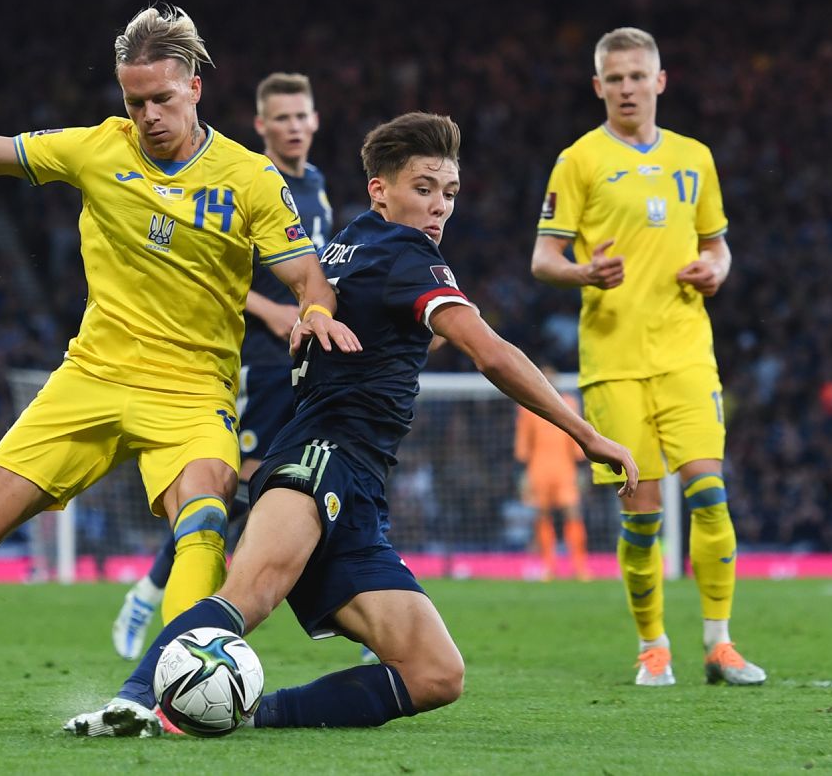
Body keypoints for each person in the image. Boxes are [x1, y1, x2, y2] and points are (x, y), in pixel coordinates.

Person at [0, 4, 359, 728]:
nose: (147, 116)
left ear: (195, 87)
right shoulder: (95, 149)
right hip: (90, 380)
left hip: (191, 393)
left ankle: (166, 696)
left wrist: (315, 312)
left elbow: (308, 277)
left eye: (161, 99)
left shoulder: (249, 178)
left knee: (205, 523)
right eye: (134, 101)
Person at [65, 112, 638, 737]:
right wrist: (586, 434)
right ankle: (132, 702)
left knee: (434, 673)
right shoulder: (407, 255)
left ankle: (250, 715)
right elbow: (491, 354)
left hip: (359, 488)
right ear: (379, 189)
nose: (439, 207)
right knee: (246, 597)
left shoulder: (348, 243)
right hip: (319, 459)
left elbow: (371, 326)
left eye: (449, 192)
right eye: (423, 188)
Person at [530, 27, 766, 686]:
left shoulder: (695, 158)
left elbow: (718, 244)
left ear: (660, 81)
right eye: (616, 78)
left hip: (686, 352)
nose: (628, 88)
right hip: (613, 360)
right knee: (642, 514)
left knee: (710, 495)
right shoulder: (579, 160)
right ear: (598, 86)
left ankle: (719, 644)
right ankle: (652, 647)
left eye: (638, 76)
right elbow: (543, 258)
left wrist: (716, 269)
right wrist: (584, 273)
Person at [111, 72, 335, 661]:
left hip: (306, 360)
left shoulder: (315, 188)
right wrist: (271, 311)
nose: (293, 127)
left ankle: (351, 608)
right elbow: (207, 275)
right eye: (281, 118)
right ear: (262, 126)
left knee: (316, 476)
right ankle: (151, 592)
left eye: (301, 116)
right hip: (257, 360)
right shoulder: (243, 181)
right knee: (239, 484)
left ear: (314, 120)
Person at [514, 364, 590, 581]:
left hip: (565, 468)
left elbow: (578, 438)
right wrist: (523, 475)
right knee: (542, 515)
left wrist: (581, 469)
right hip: (538, 468)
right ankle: (549, 566)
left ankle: (580, 566)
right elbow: (523, 446)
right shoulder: (527, 408)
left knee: (573, 512)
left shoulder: (569, 403)